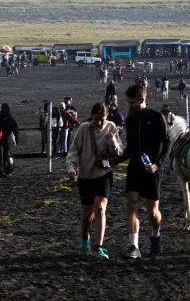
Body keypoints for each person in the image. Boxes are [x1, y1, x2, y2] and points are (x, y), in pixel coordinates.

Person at [115, 85, 171, 259]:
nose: (129, 106)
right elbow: (129, 149)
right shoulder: (130, 120)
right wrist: (113, 161)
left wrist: (158, 164)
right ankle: (134, 246)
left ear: (142, 99)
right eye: (128, 102)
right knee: (131, 204)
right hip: (134, 168)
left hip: (151, 169)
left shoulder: (156, 117)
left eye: (132, 102)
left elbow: (167, 143)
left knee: (152, 212)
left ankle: (156, 234)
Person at [67, 103, 124, 260]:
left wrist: (112, 141)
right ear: (92, 116)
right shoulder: (84, 129)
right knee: (87, 214)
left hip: (104, 174)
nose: (99, 123)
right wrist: (71, 168)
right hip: (85, 176)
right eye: (96, 119)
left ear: (107, 117)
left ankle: (98, 247)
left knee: (100, 208)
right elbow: (73, 151)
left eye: (102, 120)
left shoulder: (111, 126)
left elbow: (119, 151)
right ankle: (85, 238)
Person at [0, 103, 19, 177]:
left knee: (0, 155)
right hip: (4, 139)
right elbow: (15, 129)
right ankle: (2, 170)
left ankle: (1, 170)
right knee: (3, 155)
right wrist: (16, 138)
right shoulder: (10, 118)